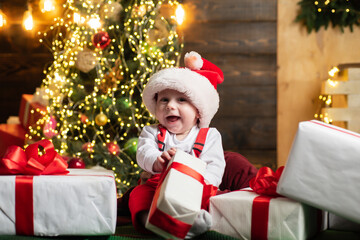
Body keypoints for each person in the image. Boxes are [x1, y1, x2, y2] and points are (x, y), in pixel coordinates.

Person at [126, 51, 258, 238]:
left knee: (216, 198)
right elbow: (143, 151)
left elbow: (215, 165)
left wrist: (204, 185)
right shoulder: (152, 131)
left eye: (181, 100)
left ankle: (193, 220)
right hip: (157, 187)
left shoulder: (209, 135)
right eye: (164, 100)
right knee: (138, 195)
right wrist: (156, 161)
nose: (170, 106)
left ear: (198, 111)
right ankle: (152, 220)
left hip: (196, 186)